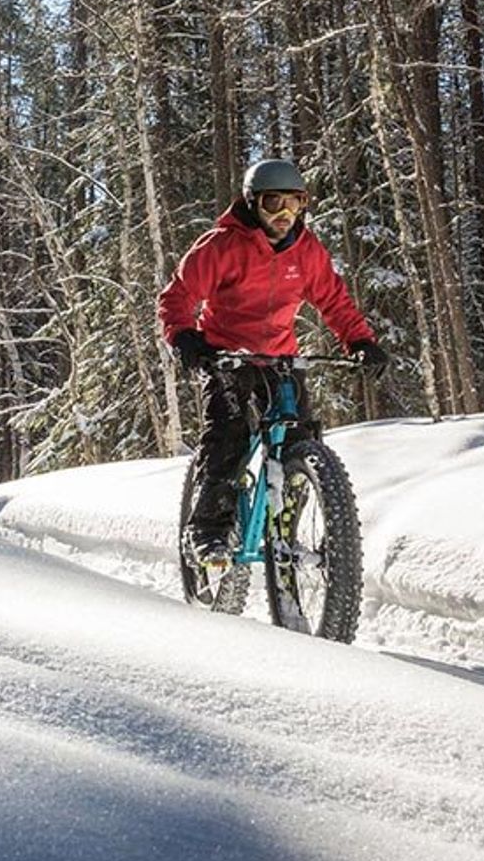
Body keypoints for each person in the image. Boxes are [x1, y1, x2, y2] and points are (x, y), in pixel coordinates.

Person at [157, 157, 388, 566]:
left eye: (294, 205)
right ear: (252, 204)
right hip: (226, 356)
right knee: (228, 434)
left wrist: (360, 341)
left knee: (302, 438)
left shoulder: (307, 251)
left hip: (280, 357)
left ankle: (286, 525)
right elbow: (177, 297)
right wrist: (186, 337)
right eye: (272, 204)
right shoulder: (222, 246)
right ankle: (209, 531)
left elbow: (333, 301)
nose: (284, 215)